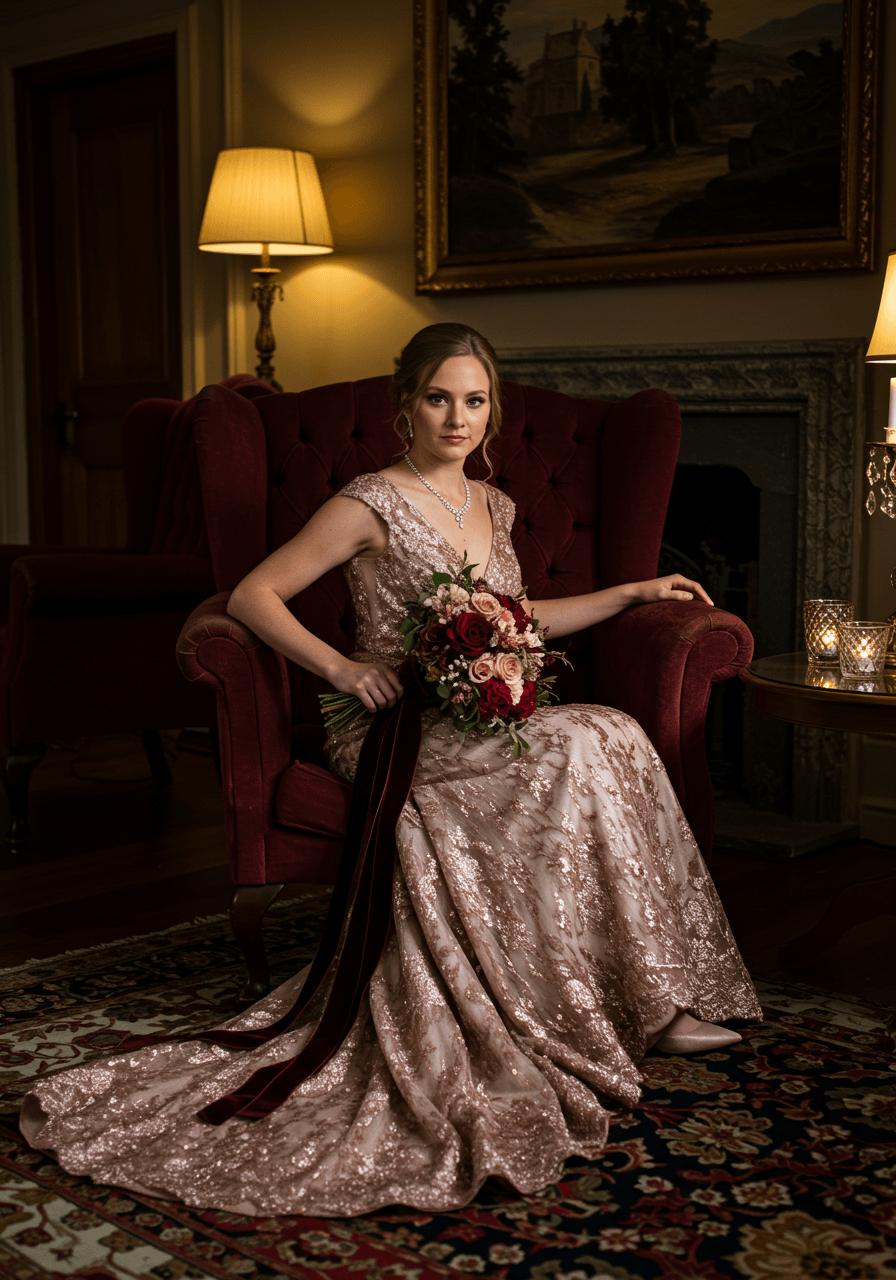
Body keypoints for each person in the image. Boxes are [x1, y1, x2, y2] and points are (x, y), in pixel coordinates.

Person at [20, 323, 761, 1217]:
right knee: (586, 739)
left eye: (475, 401)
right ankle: (631, 1007)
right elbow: (254, 594)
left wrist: (634, 592)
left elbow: (521, 621)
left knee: (613, 733)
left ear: (493, 411)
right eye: (439, 398)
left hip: (477, 713)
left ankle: (644, 996)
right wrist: (339, 669)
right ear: (405, 405)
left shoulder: (497, 504)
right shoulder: (369, 498)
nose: (458, 416)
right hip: (393, 722)